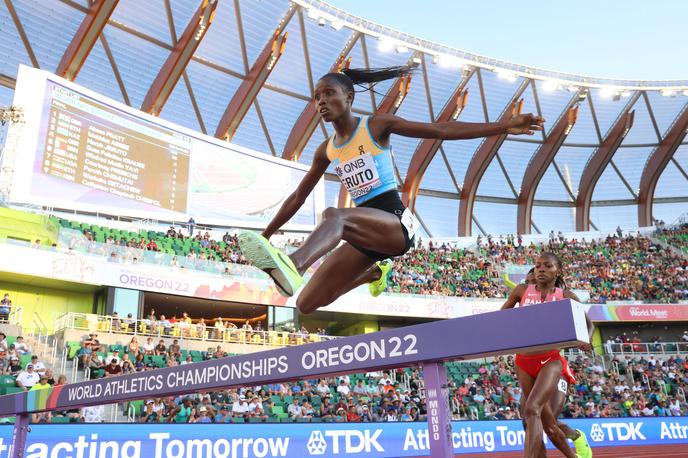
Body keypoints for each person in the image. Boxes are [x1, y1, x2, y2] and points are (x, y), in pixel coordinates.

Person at [238, 65, 544, 312]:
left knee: (334, 215)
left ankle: (293, 264)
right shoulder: (325, 150)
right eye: (316, 97)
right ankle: (372, 274)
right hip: (364, 232)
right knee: (306, 304)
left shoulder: (375, 126)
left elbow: (440, 131)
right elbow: (297, 197)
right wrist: (264, 238)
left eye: (328, 94)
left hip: (394, 223)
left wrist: (503, 126)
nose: (320, 101)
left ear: (348, 97)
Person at [501, 253, 593, 458]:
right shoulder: (522, 292)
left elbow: (588, 323)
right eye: (536, 268)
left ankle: (576, 437)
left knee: (536, 412)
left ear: (556, 271)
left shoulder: (564, 295)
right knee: (534, 420)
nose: (538, 272)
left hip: (553, 363)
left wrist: (585, 340)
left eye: (545, 267)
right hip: (524, 361)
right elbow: (501, 319)